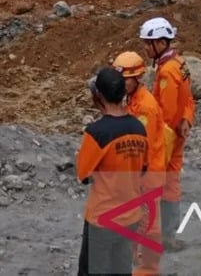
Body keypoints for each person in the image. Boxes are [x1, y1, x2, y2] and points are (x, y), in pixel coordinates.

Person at [77, 68, 148, 276]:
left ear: (98, 95)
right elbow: (143, 168)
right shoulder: (138, 129)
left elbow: (83, 174)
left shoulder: (97, 133)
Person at [111, 52, 170, 276]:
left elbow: (141, 145)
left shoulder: (145, 106)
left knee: (148, 221)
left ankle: (149, 267)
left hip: (148, 173)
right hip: (140, 172)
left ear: (137, 78)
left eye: (125, 80)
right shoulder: (133, 100)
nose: (121, 85)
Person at [138, 17, 194, 250]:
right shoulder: (180, 64)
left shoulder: (167, 72)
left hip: (167, 135)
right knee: (171, 182)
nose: (145, 47)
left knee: (151, 184)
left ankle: (151, 235)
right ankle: (168, 235)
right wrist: (187, 120)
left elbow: (167, 112)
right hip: (179, 132)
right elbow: (189, 100)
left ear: (161, 43)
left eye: (148, 43)